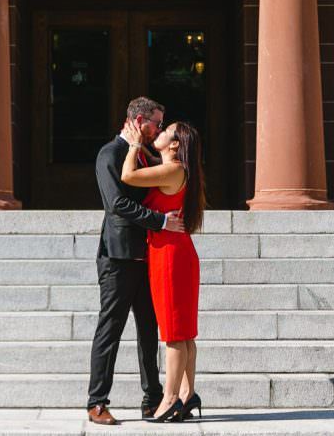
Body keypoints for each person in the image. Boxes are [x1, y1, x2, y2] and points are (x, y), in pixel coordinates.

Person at [86, 97, 186, 426]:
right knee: (110, 329)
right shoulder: (110, 153)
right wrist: (160, 221)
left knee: (148, 328)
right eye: (156, 123)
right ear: (140, 120)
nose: (158, 127)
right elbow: (116, 204)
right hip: (118, 256)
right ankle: (97, 402)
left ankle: (152, 399)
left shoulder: (145, 155)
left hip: (149, 255)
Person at [121, 118, 206, 423]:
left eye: (165, 131)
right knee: (183, 333)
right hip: (174, 252)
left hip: (170, 255)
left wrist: (133, 145)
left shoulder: (173, 170)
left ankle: (169, 399)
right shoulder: (177, 169)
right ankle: (186, 394)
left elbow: (128, 175)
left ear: (174, 144)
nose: (158, 133)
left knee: (173, 333)